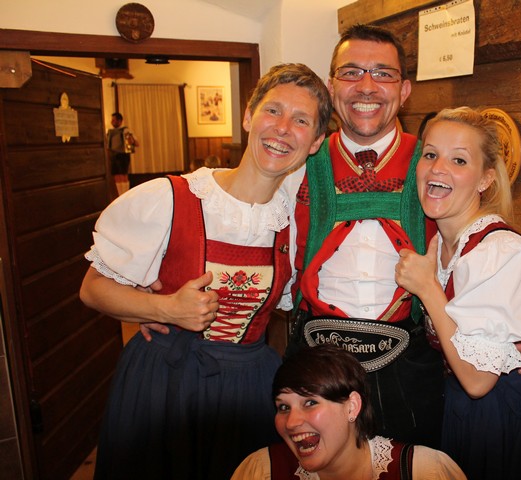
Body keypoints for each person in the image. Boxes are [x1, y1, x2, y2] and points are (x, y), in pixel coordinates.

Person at [281, 24, 521, 449]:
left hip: (410, 366)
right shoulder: (294, 159)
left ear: (404, 90)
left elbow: (494, 248)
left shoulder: (437, 163)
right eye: (351, 72)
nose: (366, 86)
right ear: (331, 86)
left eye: (383, 74)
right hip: (314, 360)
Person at [79, 63, 332, 480]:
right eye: (273, 110)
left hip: (246, 389)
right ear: (249, 116)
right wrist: (162, 308)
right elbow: (92, 289)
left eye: (301, 120)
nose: (283, 128)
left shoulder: (293, 223)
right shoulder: (169, 197)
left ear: (316, 141)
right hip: (165, 383)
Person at [395, 107, 521, 479]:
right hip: (462, 410)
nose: (438, 168)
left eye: (459, 160)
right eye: (431, 154)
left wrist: (427, 288)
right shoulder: (436, 238)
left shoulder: (498, 251)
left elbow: (478, 381)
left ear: (485, 179)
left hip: (511, 416)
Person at [232, 344, 467, 479]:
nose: (291, 422)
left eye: (310, 403)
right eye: (283, 407)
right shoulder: (262, 470)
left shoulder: (423, 471)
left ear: (352, 406)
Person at [106, 112, 138, 195]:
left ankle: (125, 194)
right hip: (113, 156)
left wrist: (131, 140)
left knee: (123, 175)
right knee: (116, 176)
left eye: (114, 120)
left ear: (119, 121)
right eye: (112, 120)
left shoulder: (126, 130)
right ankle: (119, 195)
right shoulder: (110, 132)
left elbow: (136, 143)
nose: (112, 122)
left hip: (123, 156)